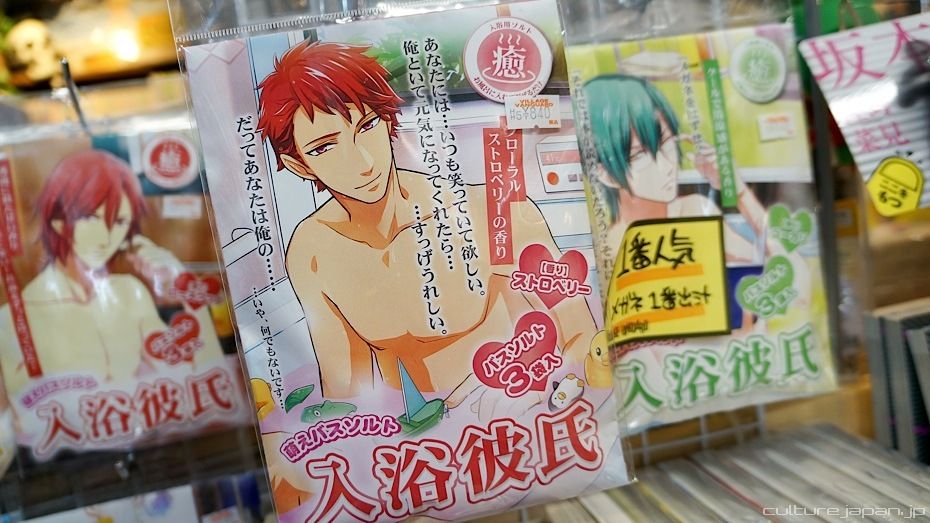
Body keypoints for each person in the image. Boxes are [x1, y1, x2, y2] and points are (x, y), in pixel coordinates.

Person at [257, 41, 597, 411]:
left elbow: (585, 340)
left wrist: (546, 394)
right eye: (324, 148)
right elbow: (347, 396)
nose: (363, 162)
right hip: (423, 436)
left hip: (524, 405)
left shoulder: (491, 209)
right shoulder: (312, 251)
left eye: (367, 126)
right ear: (300, 166)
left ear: (388, 119)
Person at [0, 150, 223, 396]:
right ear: (58, 221)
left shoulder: (130, 293)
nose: (106, 238)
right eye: (91, 218)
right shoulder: (15, 319)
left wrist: (183, 284)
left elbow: (205, 376)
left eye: (119, 222)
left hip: (136, 416)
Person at [585, 74, 770, 263]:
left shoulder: (692, 211)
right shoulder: (608, 249)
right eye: (639, 154)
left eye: (667, 141)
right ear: (604, 174)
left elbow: (780, 268)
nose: (667, 166)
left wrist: (739, 191)